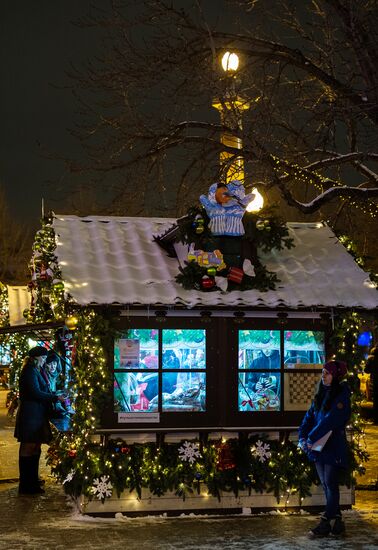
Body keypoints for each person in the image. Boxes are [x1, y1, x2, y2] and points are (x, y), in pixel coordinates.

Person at [298, 360, 351, 539]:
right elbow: (310, 417)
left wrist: (311, 438)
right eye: (322, 372)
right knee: (327, 484)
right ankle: (337, 522)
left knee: (330, 484)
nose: (323, 375)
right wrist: (303, 436)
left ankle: (326, 522)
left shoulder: (341, 395)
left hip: (332, 445)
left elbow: (330, 420)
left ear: (335, 376)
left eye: (327, 373)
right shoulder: (320, 394)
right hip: (318, 446)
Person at [14, 346, 65, 495]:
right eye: (42, 358)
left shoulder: (36, 370)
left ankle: (32, 481)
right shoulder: (29, 371)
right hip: (30, 415)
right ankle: (26, 484)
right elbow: (35, 392)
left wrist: (54, 394)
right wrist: (55, 397)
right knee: (28, 447)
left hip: (36, 414)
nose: (44, 361)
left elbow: (43, 389)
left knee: (35, 447)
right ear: (35, 358)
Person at [364, 346, 378, 424]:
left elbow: (366, 370)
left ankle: (376, 420)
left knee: (376, 400)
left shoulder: (371, 358)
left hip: (376, 381)